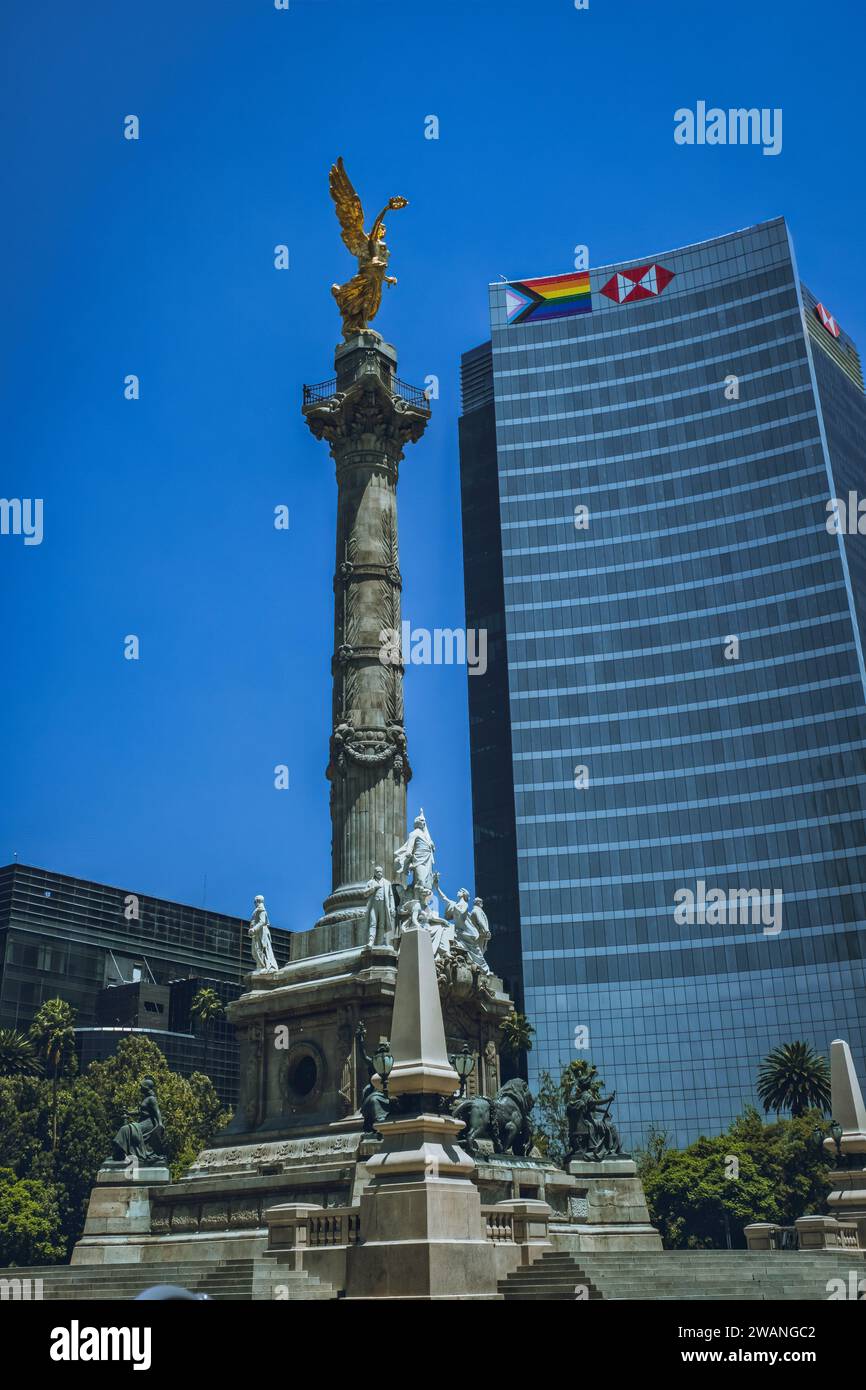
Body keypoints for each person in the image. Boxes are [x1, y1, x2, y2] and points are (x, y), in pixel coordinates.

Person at [112, 1076, 166, 1165]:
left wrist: (160, 1124)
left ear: (146, 1087)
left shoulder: (152, 1099)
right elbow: (141, 1112)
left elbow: (157, 1111)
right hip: (142, 1123)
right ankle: (120, 1153)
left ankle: (120, 1153)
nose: (140, 1088)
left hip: (148, 1125)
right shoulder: (146, 1098)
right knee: (126, 1129)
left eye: (141, 1086)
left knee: (125, 1129)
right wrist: (129, 1113)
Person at [362, 866, 396, 948]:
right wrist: (373, 888)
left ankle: (380, 942)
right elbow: (364, 893)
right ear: (374, 873)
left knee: (381, 924)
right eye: (377, 872)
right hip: (374, 905)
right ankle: (371, 941)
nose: (379, 873)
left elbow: (391, 895)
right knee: (373, 923)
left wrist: (392, 907)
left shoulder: (387, 883)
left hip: (383, 905)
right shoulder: (370, 882)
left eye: (381, 872)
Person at [249, 894, 278, 971]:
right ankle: (261, 966)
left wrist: (254, 929)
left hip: (261, 933)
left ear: (257, 901)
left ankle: (263, 966)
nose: (254, 903)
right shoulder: (258, 909)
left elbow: (262, 921)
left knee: (260, 949)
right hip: (257, 933)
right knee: (255, 951)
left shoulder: (261, 909)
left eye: (255, 901)